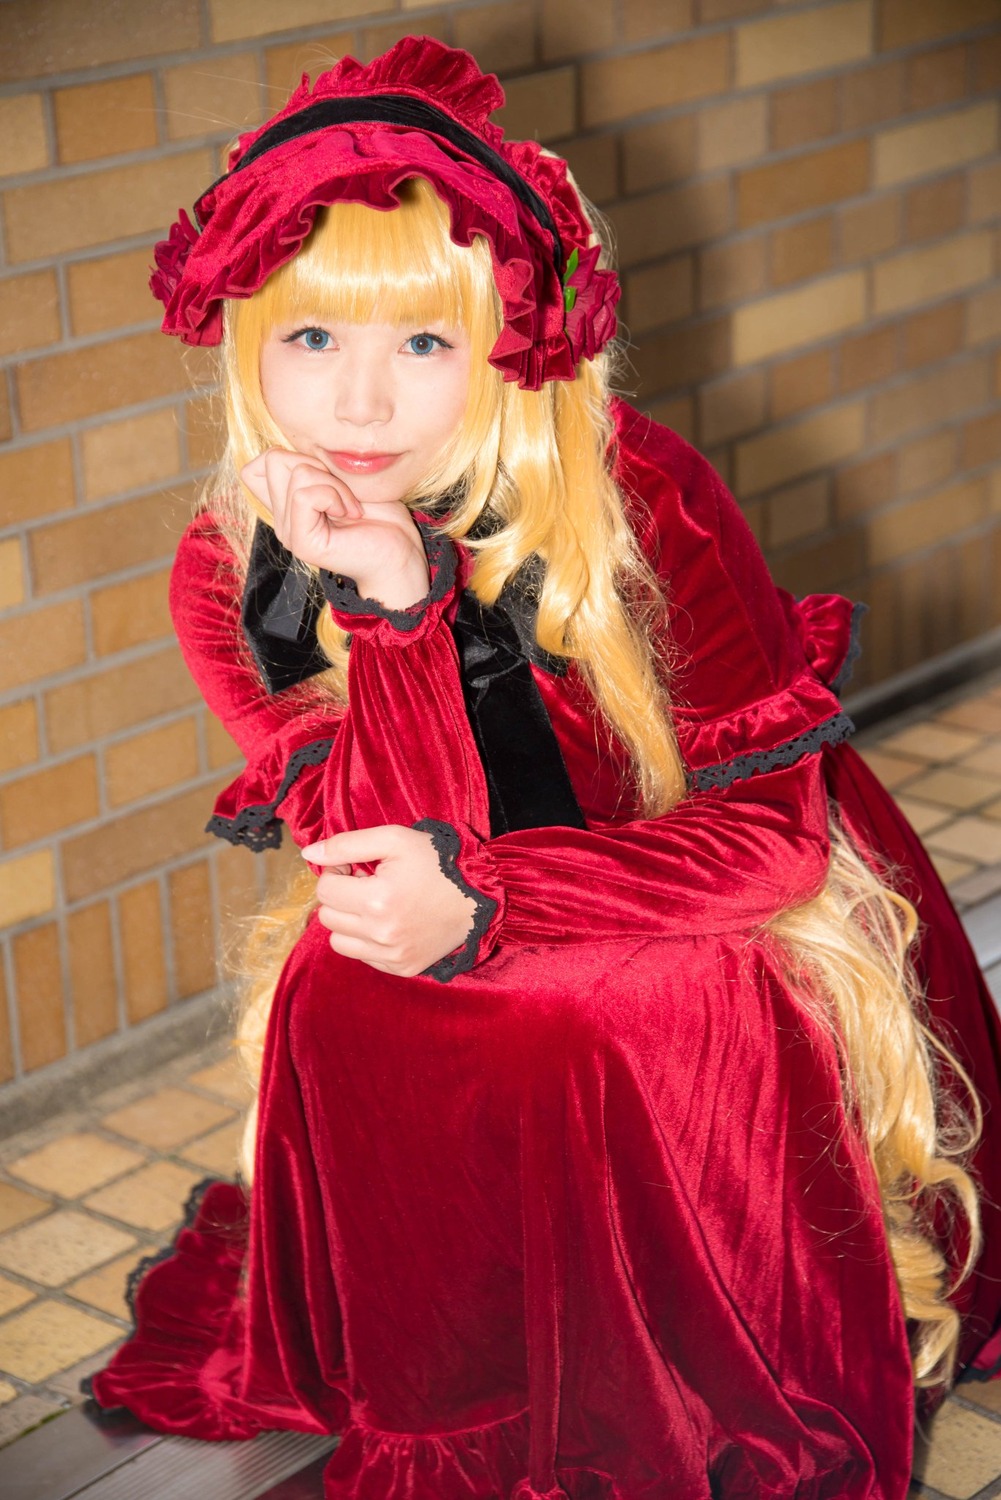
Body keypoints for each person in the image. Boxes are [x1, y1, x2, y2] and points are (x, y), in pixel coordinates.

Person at [90, 37, 1001, 1500]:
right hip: (446, 890)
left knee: (626, 1000)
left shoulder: (642, 493)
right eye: (314, 340)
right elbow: (371, 840)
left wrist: (495, 903)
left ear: (508, 340)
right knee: (345, 988)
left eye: (422, 343)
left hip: (710, 874)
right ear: (246, 341)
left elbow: (768, 846)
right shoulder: (232, 566)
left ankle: (678, 1379)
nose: (361, 408)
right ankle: (458, 1382)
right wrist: (390, 612)